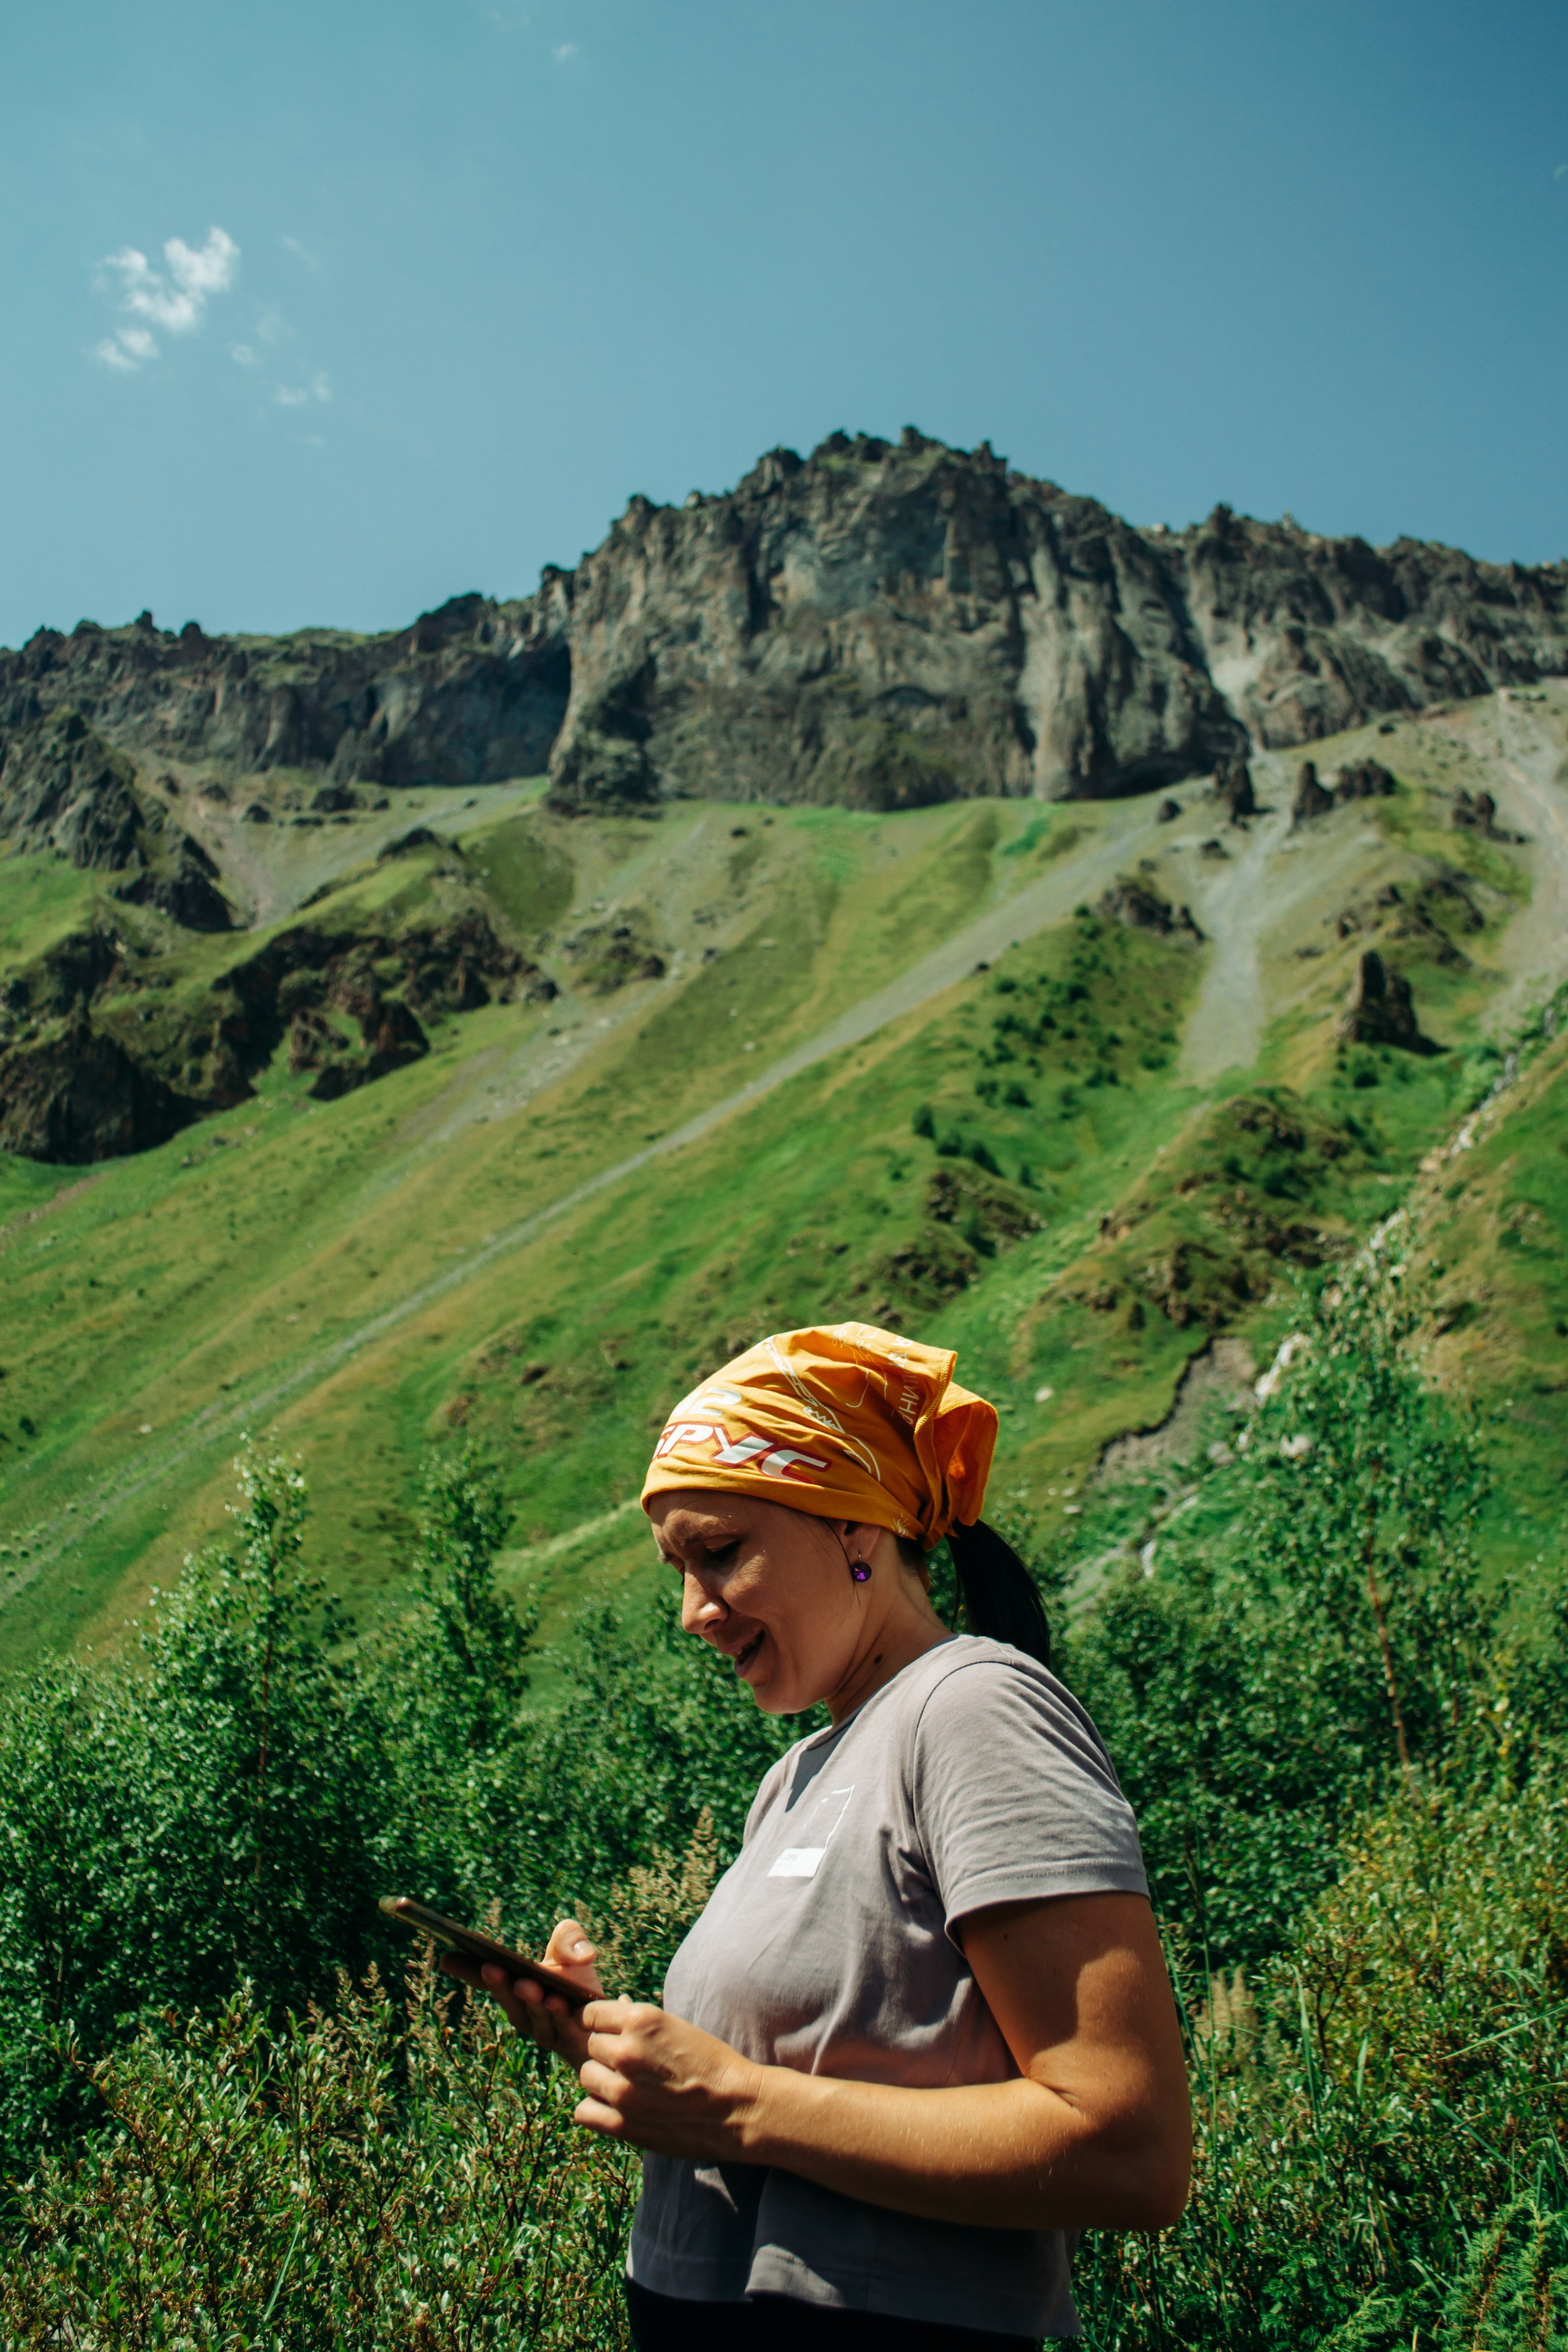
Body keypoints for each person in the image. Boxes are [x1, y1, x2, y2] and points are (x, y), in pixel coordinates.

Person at [444, 1323, 1190, 2348]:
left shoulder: (973, 1709)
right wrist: (622, 2050)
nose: (692, 1612)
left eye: (719, 1554)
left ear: (854, 1529)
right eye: (677, 1569)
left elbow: (1131, 2149)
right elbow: (796, 2082)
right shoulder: (795, 1777)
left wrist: (742, 2104)